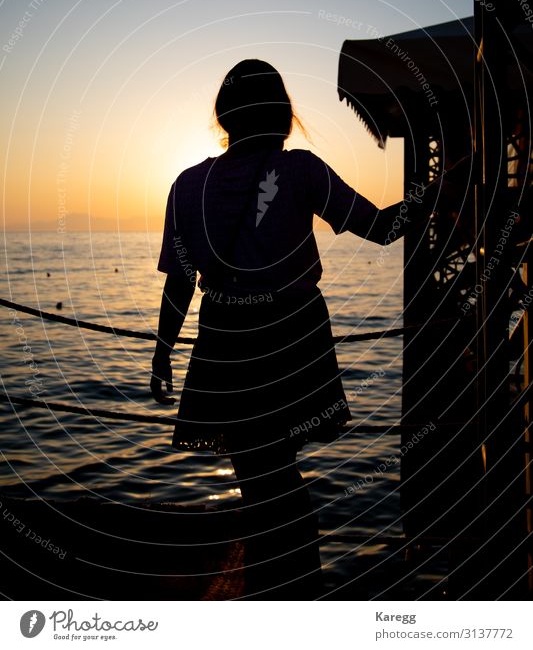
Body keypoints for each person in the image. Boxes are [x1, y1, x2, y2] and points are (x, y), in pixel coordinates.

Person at [150, 59, 439, 600]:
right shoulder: (302, 171)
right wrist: (433, 195)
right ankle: (294, 594)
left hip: (225, 344)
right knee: (278, 484)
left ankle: (276, 592)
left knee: (262, 480)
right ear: (283, 115)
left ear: (224, 116)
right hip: (293, 340)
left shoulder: (187, 186)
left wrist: (163, 351)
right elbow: (380, 228)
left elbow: (179, 284)